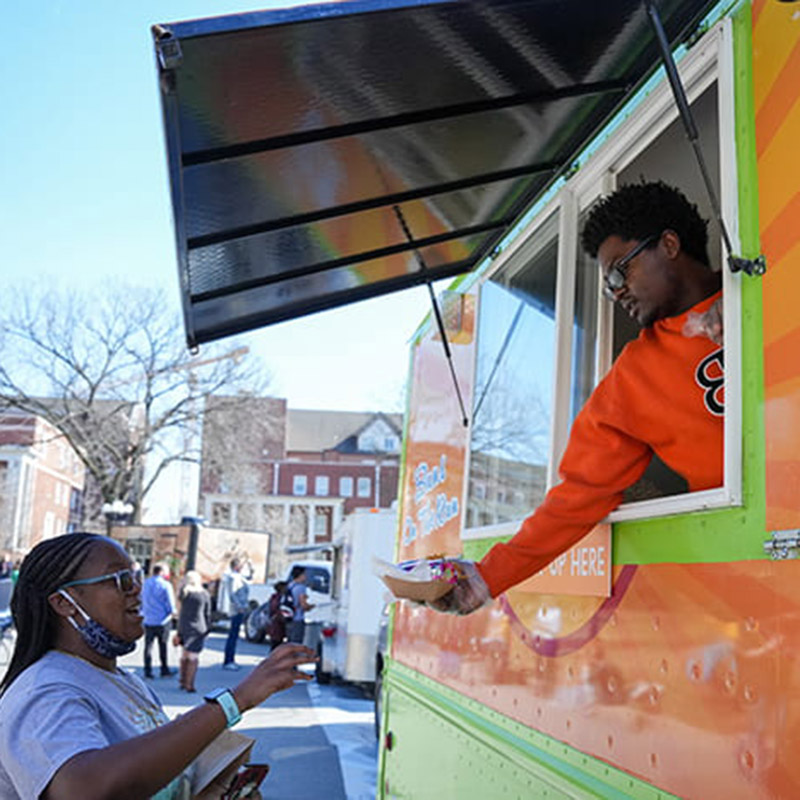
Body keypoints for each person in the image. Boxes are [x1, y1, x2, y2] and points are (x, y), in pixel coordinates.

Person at [432, 181, 724, 615]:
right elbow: (579, 494)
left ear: (668, 244)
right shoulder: (634, 374)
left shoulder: (765, 278)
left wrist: (761, 292)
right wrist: (486, 577)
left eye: (619, 273)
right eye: (609, 285)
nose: (616, 292)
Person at [0, 533, 316, 799]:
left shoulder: (126, 681)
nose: (137, 588)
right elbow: (85, 788)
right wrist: (235, 701)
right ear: (64, 602)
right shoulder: (44, 690)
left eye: (136, 576)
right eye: (121, 580)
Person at [176, 570, 211, 693]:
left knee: (184, 654)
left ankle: (182, 680)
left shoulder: (184, 594)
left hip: (185, 626)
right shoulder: (204, 594)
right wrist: (207, 629)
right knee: (193, 656)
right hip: (198, 627)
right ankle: (190, 684)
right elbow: (207, 613)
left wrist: (178, 630)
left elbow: (180, 612)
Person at [141, 562, 177, 679]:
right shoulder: (166, 585)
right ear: (161, 572)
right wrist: (172, 613)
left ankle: (147, 670)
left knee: (148, 646)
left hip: (148, 619)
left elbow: (141, 599)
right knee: (163, 645)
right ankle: (164, 669)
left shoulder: (146, 583)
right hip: (162, 620)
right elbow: (170, 604)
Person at [222, 558, 249, 671]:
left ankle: (231, 659)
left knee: (235, 635)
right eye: (242, 565)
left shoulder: (239, 577)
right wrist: (239, 607)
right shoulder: (233, 578)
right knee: (233, 635)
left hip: (240, 608)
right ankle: (228, 660)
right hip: (237, 610)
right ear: (237, 566)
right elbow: (232, 594)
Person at [286, 567, 315, 645]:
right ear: (300, 575)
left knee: (290, 643)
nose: (306, 576)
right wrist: (312, 606)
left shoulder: (290, 585)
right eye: (304, 574)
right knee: (296, 644)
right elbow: (303, 605)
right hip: (298, 619)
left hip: (289, 618)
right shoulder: (301, 588)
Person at [265, 580, 288, 650]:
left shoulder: (274, 597)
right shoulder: (279, 598)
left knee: (276, 643)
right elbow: (276, 608)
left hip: (275, 622)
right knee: (276, 643)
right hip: (277, 622)